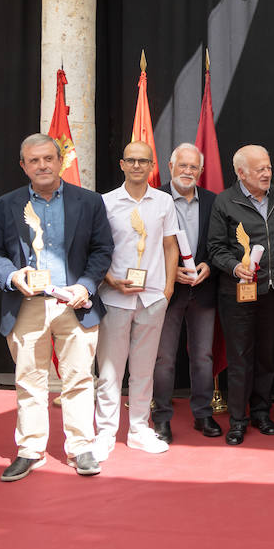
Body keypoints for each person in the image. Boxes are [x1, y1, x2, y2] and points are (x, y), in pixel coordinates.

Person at [0, 133, 114, 481]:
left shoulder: (89, 202)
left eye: (48, 159)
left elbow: (103, 250)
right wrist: (12, 276)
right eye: (34, 160)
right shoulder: (3, 206)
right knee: (29, 381)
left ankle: (81, 447)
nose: (42, 165)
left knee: (79, 379)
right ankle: (29, 449)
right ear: (23, 166)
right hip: (26, 305)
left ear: (60, 162)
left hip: (76, 304)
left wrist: (86, 286)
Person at [93, 140, 179, 461]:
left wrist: (167, 289)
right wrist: (107, 279)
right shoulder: (105, 202)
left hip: (153, 298)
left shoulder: (164, 202)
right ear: (122, 164)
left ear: (151, 165)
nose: (138, 166)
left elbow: (171, 247)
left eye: (144, 161)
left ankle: (140, 430)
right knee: (110, 370)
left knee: (144, 370)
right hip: (115, 296)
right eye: (132, 160)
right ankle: (105, 433)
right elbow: (98, 248)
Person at [207, 145, 274, 445]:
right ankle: (238, 420)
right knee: (240, 357)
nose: (268, 173)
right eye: (260, 170)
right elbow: (215, 248)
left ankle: (261, 413)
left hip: (273, 289)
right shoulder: (224, 201)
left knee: (266, 356)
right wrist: (234, 267)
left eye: (268, 167)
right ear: (241, 173)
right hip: (238, 292)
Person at [151, 143, 221, 441]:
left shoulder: (213, 201)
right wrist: (169, 271)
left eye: (194, 167)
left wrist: (210, 266)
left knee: (203, 357)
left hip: (203, 290)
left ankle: (203, 415)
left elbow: (221, 244)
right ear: (170, 167)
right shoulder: (155, 199)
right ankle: (162, 418)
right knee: (164, 358)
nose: (188, 172)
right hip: (167, 291)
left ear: (201, 171)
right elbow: (145, 246)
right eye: (183, 166)